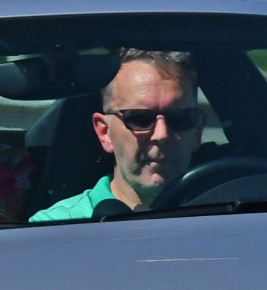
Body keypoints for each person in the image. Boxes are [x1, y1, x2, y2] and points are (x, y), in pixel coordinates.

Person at [29, 49, 203, 222]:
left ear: (198, 129)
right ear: (105, 132)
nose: (161, 134)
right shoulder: (52, 228)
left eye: (180, 118)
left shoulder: (226, 212)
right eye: (140, 119)